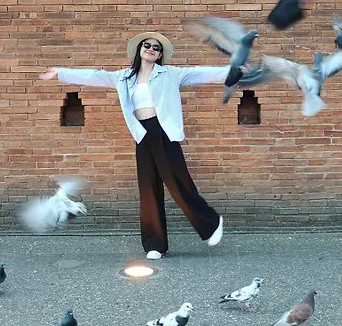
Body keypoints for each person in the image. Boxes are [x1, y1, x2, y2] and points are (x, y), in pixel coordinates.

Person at [40, 32, 235, 260]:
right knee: (148, 189)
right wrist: (61, 72)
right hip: (142, 134)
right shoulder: (124, 77)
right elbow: (94, 76)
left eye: (156, 48)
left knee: (178, 184)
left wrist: (234, 70)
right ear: (139, 50)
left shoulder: (170, 74)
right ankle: (155, 244)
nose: (151, 49)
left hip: (164, 132)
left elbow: (202, 73)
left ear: (160, 55)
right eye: (147, 45)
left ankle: (211, 224)